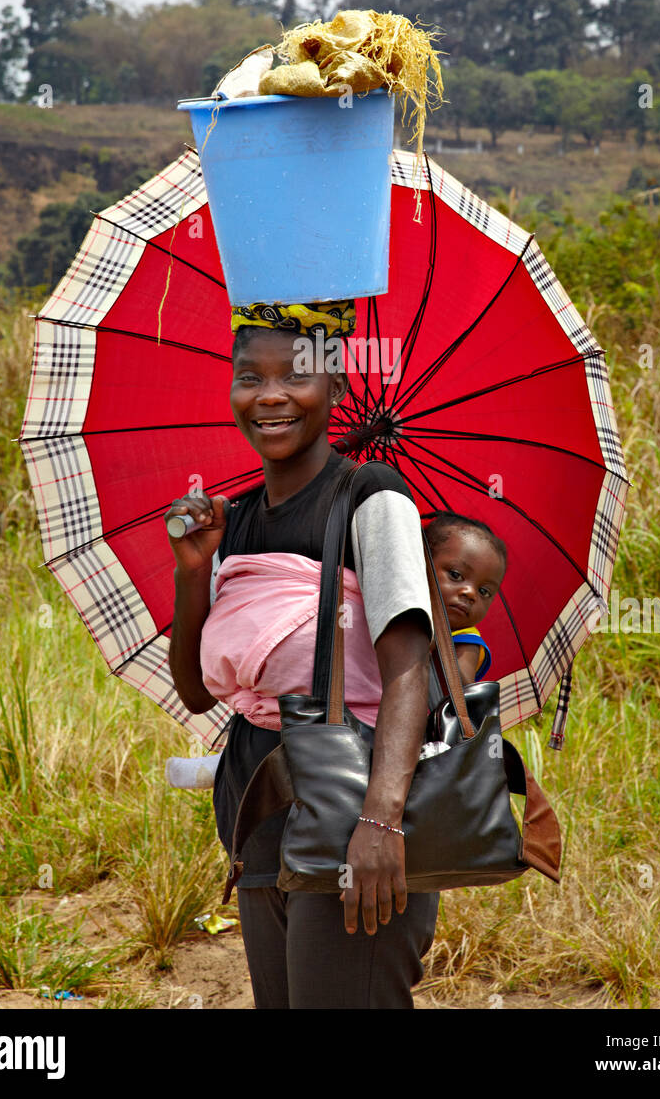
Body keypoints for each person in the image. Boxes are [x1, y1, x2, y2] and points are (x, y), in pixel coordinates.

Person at [165, 300, 439, 1010]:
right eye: (249, 377)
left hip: (354, 813)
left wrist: (382, 821)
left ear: (339, 387)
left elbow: (410, 665)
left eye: (297, 376)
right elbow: (197, 695)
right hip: (259, 808)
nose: (271, 395)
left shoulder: (370, 497)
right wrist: (193, 572)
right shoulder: (240, 518)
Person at [423, 511, 507, 686]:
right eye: (456, 575)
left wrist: (437, 642)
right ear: (422, 562)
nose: (470, 593)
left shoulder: (466, 640)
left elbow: (460, 693)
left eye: (484, 591)